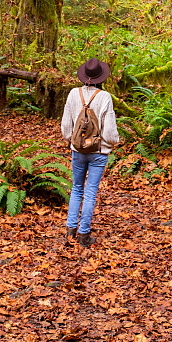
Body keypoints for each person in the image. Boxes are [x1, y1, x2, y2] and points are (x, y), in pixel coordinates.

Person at [61, 57, 119, 247]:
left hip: (77, 150)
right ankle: (84, 235)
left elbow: (65, 127)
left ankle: (70, 230)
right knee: (91, 191)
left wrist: (72, 139)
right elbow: (110, 132)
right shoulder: (104, 97)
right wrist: (115, 142)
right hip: (99, 151)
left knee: (76, 188)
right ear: (101, 78)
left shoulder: (72, 94)